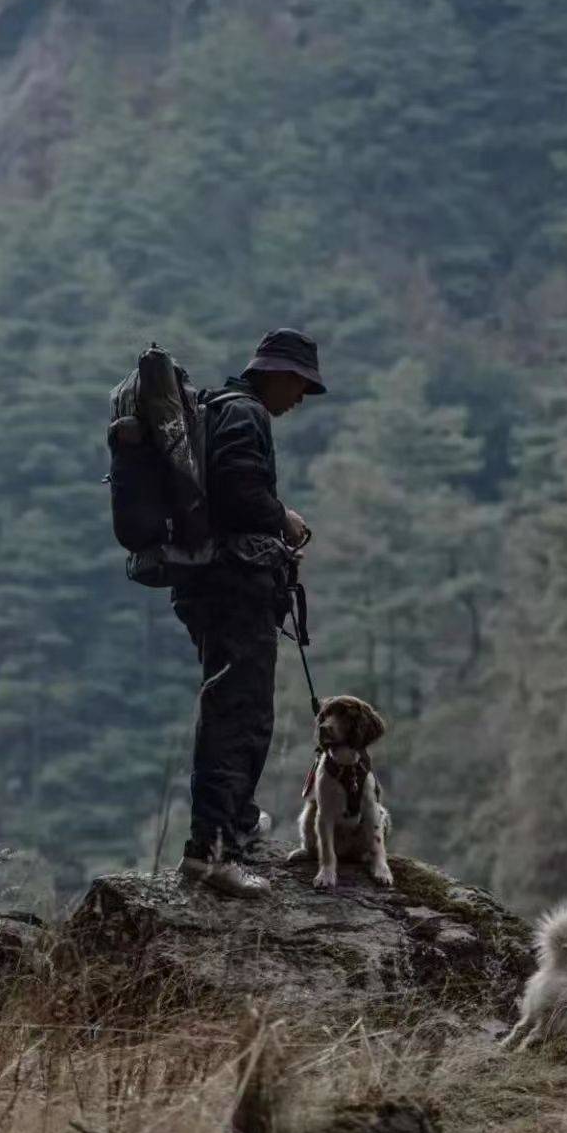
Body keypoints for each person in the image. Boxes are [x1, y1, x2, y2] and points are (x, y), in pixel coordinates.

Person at [174, 328, 326, 896]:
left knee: (232, 706)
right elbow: (239, 494)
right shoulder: (246, 414)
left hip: (210, 584)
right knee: (238, 715)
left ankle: (235, 823)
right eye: (302, 387)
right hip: (234, 587)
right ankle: (211, 852)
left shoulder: (218, 408)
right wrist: (282, 518)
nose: (300, 400)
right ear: (279, 373)